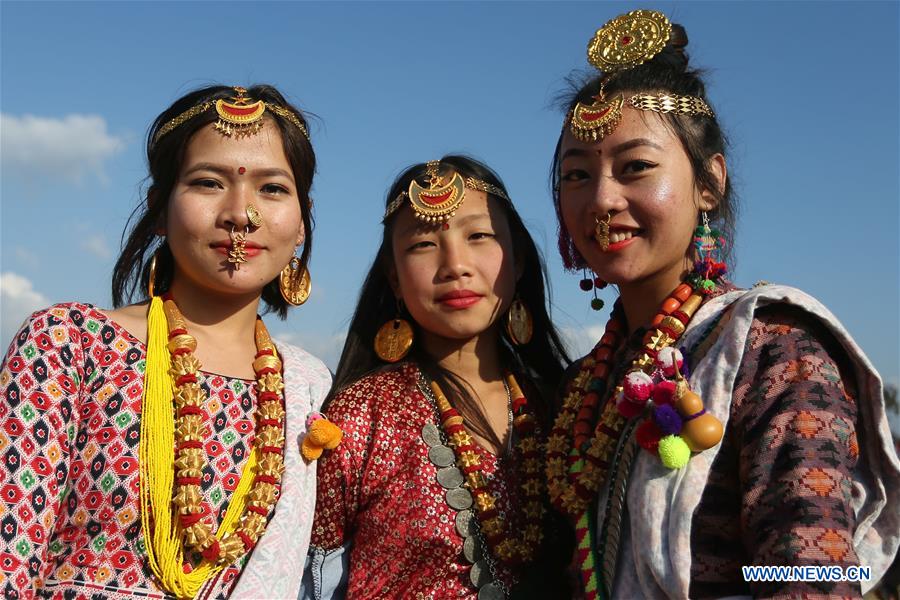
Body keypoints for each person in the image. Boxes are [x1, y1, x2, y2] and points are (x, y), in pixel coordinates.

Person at [544, 9, 900, 599]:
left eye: (636, 167)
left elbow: (813, 575)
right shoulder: (586, 382)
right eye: (576, 175)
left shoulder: (772, 347)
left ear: (709, 183)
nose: (602, 199)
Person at [0, 84, 334, 599]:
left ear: (303, 221)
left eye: (272, 188)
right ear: (159, 209)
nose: (241, 214)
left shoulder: (308, 385)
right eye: (208, 183)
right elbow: (10, 558)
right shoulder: (70, 342)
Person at [302, 156, 571, 599]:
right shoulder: (359, 416)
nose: (455, 265)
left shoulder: (564, 408)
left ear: (518, 261)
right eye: (424, 244)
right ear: (394, 278)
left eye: (479, 236)